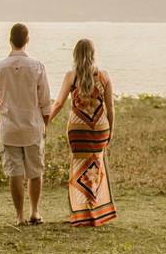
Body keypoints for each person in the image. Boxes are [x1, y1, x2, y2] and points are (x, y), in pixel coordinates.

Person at [0, 23, 51, 226]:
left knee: (15, 172)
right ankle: (35, 212)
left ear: (10, 40)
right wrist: (45, 124)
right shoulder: (37, 66)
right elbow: (45, 101)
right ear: (27, 40)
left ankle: (19, 215)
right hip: (32, 126)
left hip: (9, 127)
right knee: (35, 171)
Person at [49, 38, 117, 227]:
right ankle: (96, 212)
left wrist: (45, 122)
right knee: (96, 168)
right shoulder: (103, 76)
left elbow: (59, 103)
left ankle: (81, 214)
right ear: (94, 54)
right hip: (99, 129)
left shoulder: (72, 76)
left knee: (78, 169)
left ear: (75, 55)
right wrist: (111, 130)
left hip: (78, 130)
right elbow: (110, 107)